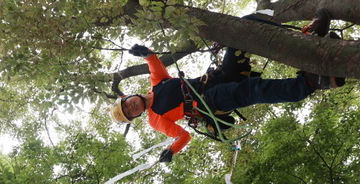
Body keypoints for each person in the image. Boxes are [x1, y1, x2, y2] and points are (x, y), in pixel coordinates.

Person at [109, 12, 344, 163]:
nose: (130, 107)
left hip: (218, 78)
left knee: (242, 30)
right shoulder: (155, 120)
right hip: (210, 103)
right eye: (129, 112)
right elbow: (183, 135)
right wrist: (172, 150)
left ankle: (307, 38)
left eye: (126, 103)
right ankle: (310, 83)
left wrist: (146, 53)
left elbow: (154, 64)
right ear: (136, 115)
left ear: (129, 95)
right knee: (253, 90)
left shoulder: (157, 85)